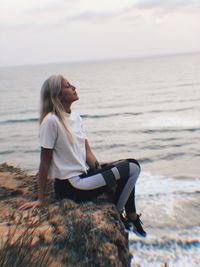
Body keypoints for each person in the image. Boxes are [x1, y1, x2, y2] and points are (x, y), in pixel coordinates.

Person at [20, 75, 146, 237]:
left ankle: (132, 216)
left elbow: (88, 154)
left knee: (126, 166)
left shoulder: (76, 118)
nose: (73, 87)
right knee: (132, 167)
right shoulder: (51, 121)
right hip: (72, 185)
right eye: (68, 86)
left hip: (84, 177)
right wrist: (40, 199)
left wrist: (105, 175)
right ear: (58, 94)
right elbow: (44, 162)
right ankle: (120, 214)